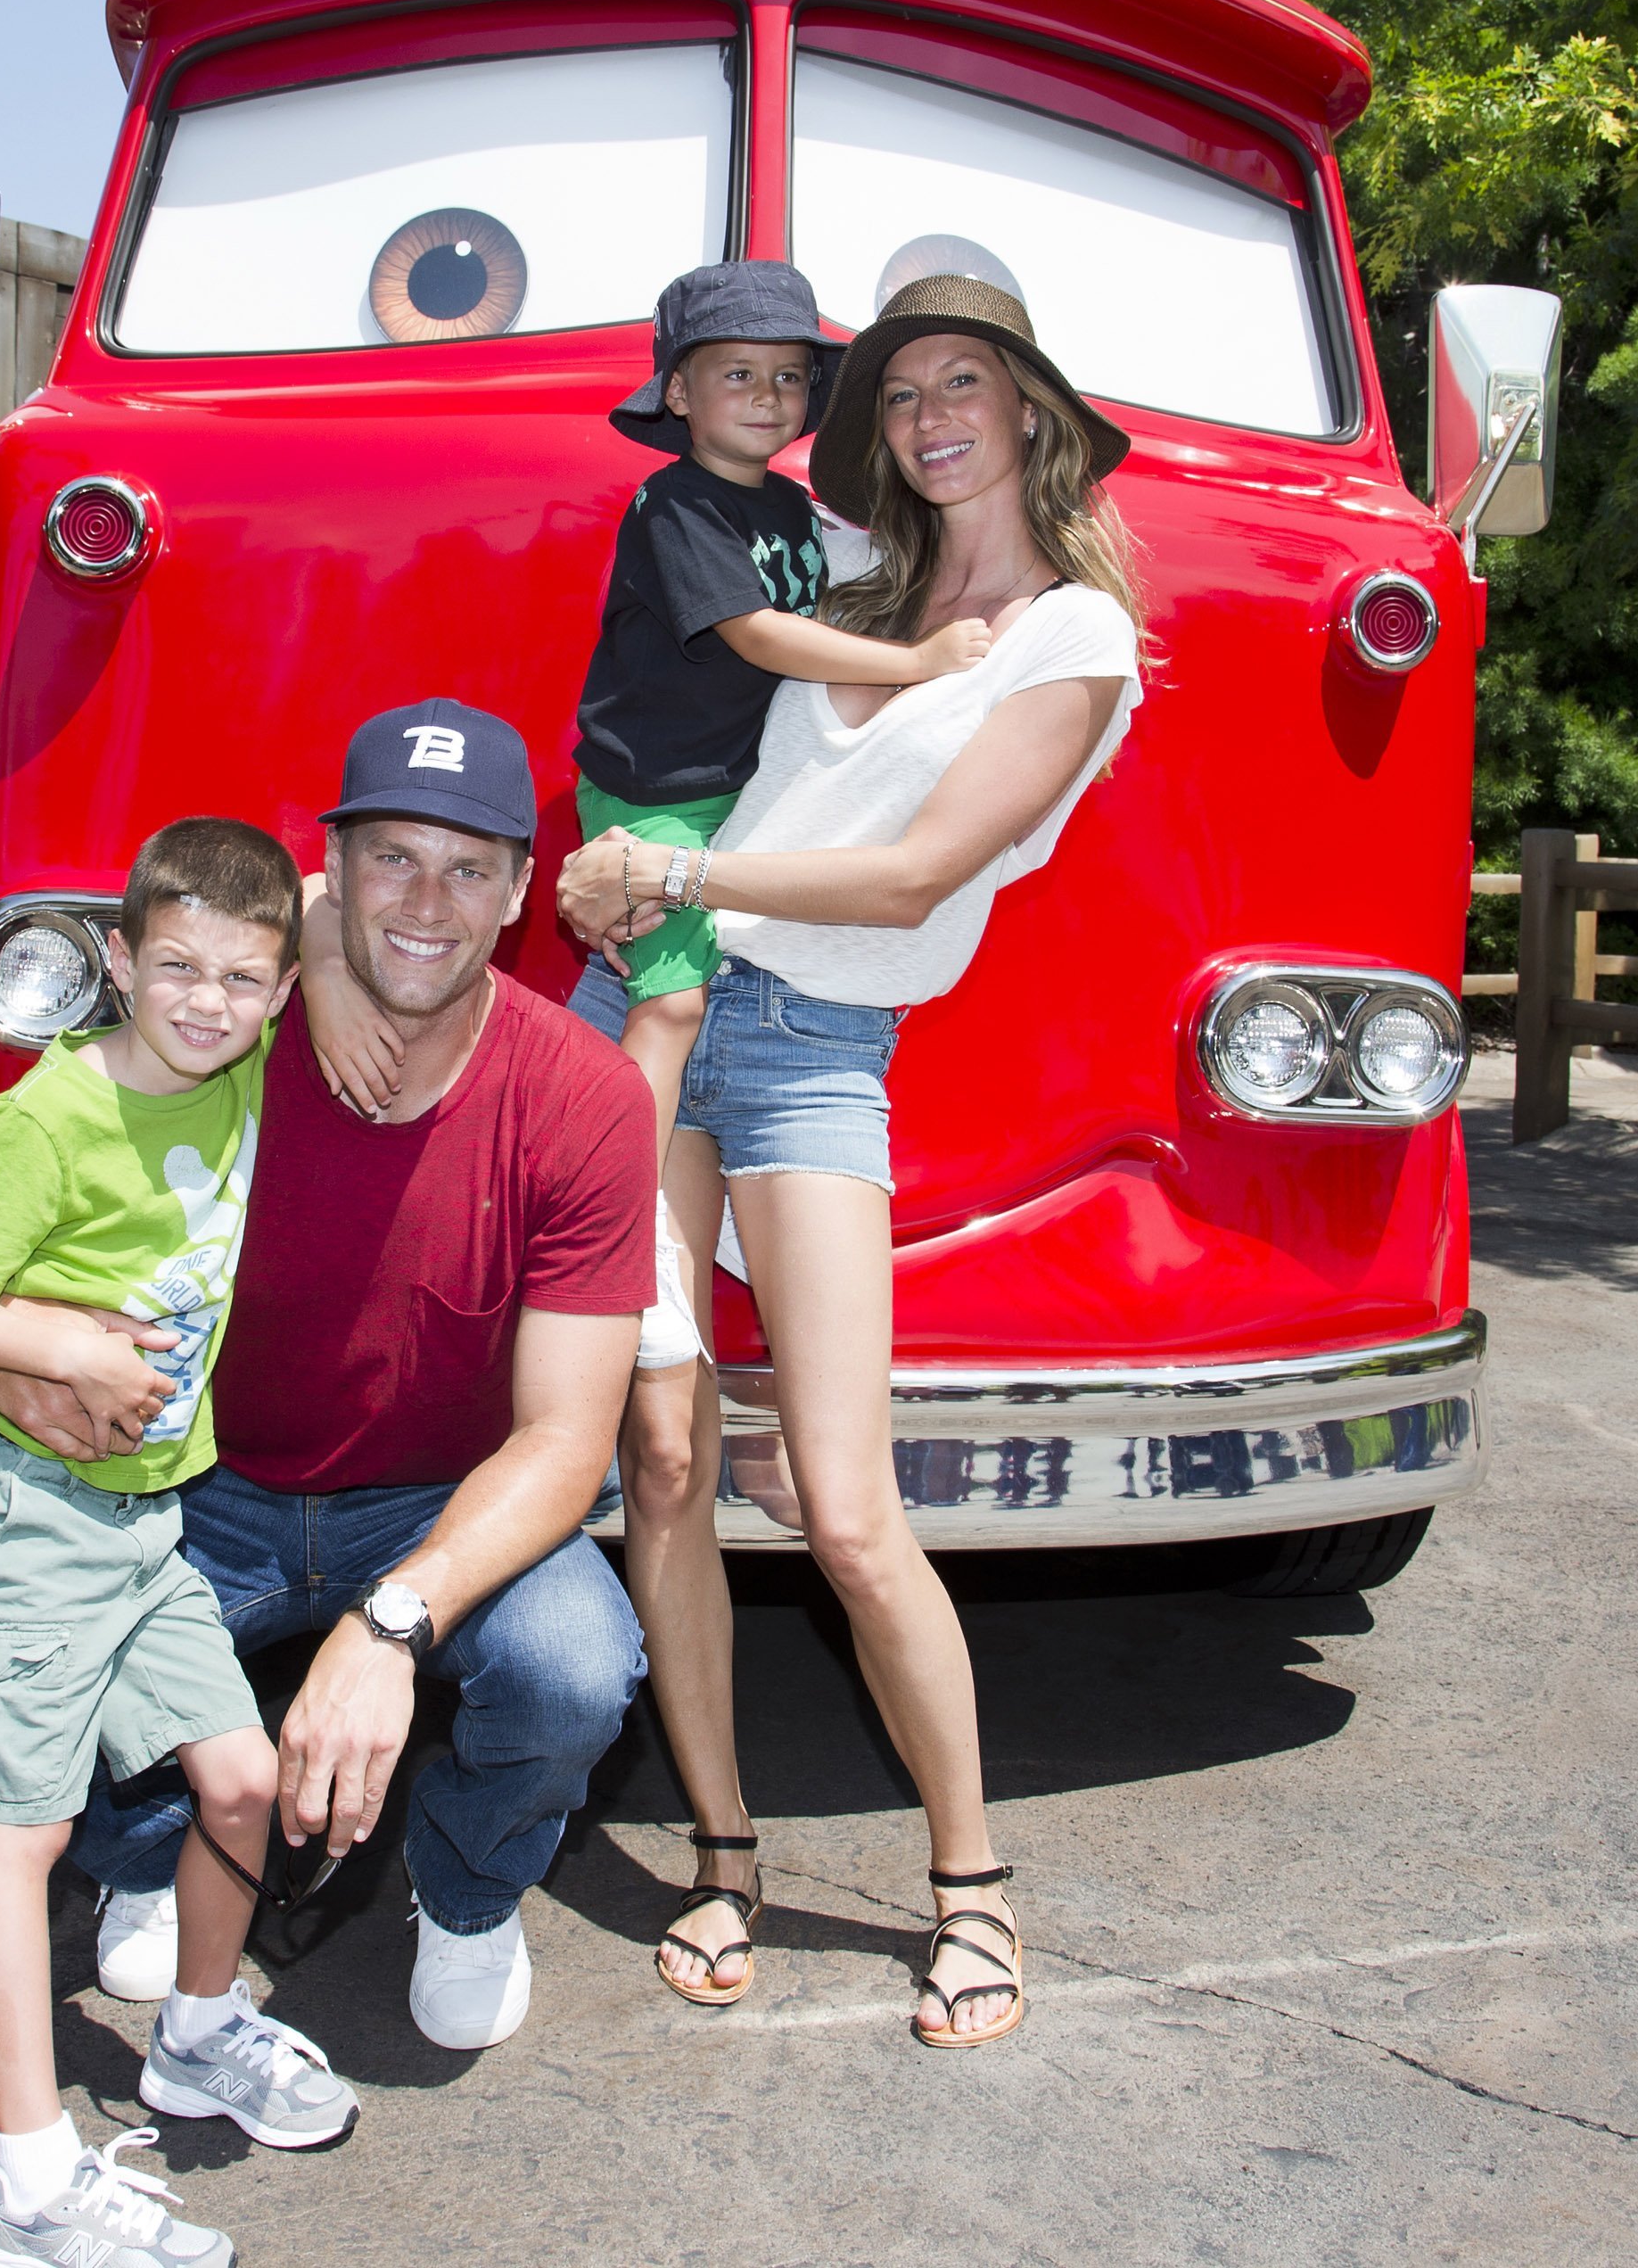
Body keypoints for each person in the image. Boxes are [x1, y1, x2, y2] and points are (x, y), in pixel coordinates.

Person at [556, 272, 1145, 2049]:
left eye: (960, 382)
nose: (924, 416)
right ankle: (722, 1851)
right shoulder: (838, 571)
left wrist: (672, 879)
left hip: (809, 1052)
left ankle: (968, 1890)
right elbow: (683, 715)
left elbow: (903, 879)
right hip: (651, 1001)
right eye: (894, 394)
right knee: (657, 1454)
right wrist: (621, 868)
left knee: (844, 1501)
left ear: (1032, 410)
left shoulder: (1073, 643)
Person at [0, 703, 657, 2058]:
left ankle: (466, 1891)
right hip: (198, 1481)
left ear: (524, 891)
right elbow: (32, 1218)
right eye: (392, 859)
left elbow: (568, 1440)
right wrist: (48, 1350)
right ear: (329, 870)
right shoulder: (223, 1027)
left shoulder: (584, 1096)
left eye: (470, 868)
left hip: (432, 1506)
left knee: (574, 1669)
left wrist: (392, 1625)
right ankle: (150, 1845)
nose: (427, 901)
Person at [320, 261, 996, 1383]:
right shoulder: (675, 504)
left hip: (727, 799)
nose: (769, 396)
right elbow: (757, 637)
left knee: (664, 997)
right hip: (655, 797)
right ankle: (618, 1243)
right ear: (677, 394)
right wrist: (917, 662)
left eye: (790, 376)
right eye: (736, 372)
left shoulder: (786, 509)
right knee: (670, 1002)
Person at [0, 818, 356, 2268]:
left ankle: (200, 2041)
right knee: (20, 1843)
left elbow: (334, 909)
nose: (206, 1002)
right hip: (26, 1516)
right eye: (175, 970)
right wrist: (61, 1354)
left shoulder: (247, 1068)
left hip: (146, 1526)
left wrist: (324, 900)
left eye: (238, 977)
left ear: (277, 993)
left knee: (239, 1781)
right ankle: (28, 2191)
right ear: (115, 961)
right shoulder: (55, 1115)